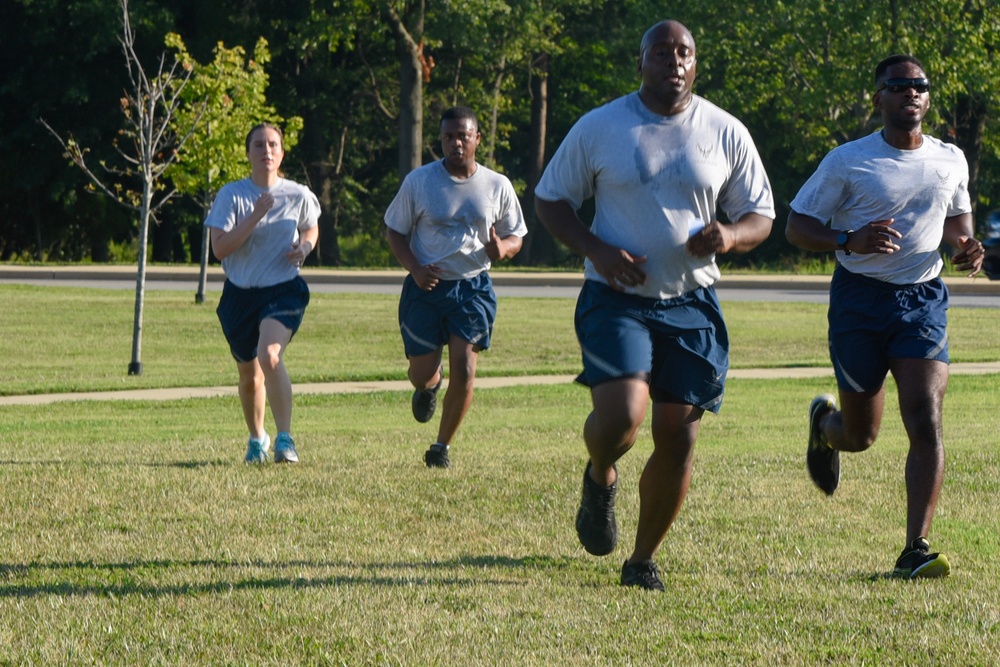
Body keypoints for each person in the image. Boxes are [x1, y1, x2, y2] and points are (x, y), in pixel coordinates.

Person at [534, 20, 775, 591]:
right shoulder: (601, 126)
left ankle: (641, 559)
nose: (674, 61)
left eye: (684, 52)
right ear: (640, 62)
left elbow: (761, 216)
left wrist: (731, 236)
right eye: (661, 52)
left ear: (696, 63)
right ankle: (600, 475)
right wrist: (596, 248)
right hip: (615, 298)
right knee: (621, 418)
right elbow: (551, 200)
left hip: (692, 302)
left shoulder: (724, 130)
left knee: (679, 435)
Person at [785, 54, 985, 579]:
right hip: (859, 299)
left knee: (925, 418)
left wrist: (968, 249)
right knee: (861, 434)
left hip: (922, 299)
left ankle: (915, 548)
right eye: (898, 86)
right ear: (879, 97)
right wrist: (850, 238)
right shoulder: (848, 161)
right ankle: (823, 428)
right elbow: (797, 227)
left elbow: (958, 224)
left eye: (919, 85)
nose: (911, 93)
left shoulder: (950, 160)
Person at [385, 106, 527, 469]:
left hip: (472, 288)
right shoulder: (420, 181)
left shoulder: (497, 185)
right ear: (441, 139)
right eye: (449, 136)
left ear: (477, 138)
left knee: (465, 369)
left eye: (463, 135)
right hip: (425, 288)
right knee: (420, 372)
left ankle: (441, 447)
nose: (456, 143)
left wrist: (503, 249)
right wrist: (415, 269)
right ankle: (429, 386)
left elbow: (516, 236)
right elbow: (395, 231)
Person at [205, 122, 321, 464]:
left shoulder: (297, 194)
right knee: (248, 374)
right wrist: (256, 214)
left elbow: (311, 226)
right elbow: (220, 249)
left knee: (269, 356)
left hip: (283, 289)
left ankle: (285, 439)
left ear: (281, 153)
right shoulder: (231, 195)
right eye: (259, 145)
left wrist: (305, 247)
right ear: (248, 153)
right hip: (240, 294)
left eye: (273, 144)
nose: (266, 150)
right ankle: (258, 439)